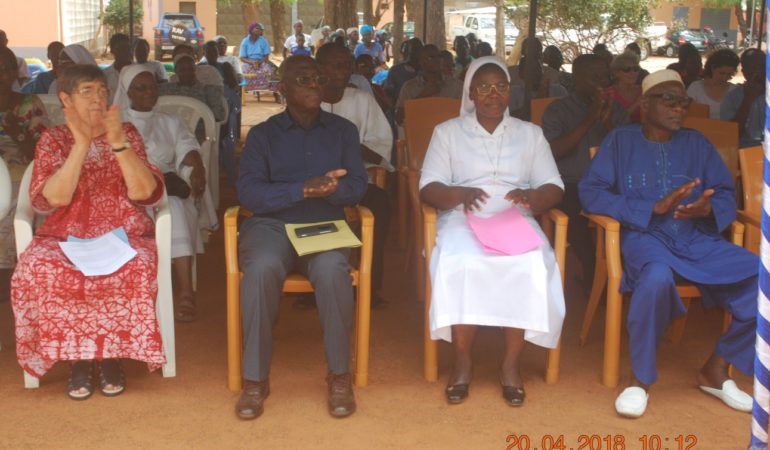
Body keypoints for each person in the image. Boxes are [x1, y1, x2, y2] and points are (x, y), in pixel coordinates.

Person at [579, 69, 757, 418]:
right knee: (656, 277)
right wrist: (650, 208)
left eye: (684, 102)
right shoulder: (619, 141)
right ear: (645, 104)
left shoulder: (697, 143)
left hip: (696, 239)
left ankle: (716, 369)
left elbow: (723, 191)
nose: (679, 109)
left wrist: (708, 208)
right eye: (669, 100)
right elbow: (590, 192)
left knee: (763, 279)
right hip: (645, 238)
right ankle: (639, 380)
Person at [11, 64, 166, 400]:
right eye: (87, 92)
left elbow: (144, 193)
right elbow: (54, 198)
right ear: (66, 99)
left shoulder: (127, 134)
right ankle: (77, 358)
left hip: (123, 234)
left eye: (101, 91)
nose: (98, 99)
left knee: (137, 265)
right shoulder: (53, 139)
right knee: (37, 266)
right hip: (64, 237)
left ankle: (110, 356)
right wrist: (80, 145)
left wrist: (119, 145)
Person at [419, 57, 566, 406]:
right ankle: (462, 362)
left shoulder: (530, 134)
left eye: (501, 86)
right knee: (460, 261)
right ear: (470, 92)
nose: (493, 94)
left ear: (510, 92)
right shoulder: (448, 132)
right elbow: (428, 188)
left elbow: (554, 185)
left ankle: (510, 365)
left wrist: (533, 196)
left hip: (517, 217)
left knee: (531, 263)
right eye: (483, 87)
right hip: (461, 216)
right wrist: (460, 194)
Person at [234, 55, 368, 420]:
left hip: (323, 225)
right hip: (270, 226)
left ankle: (339, 375)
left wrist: (332, 191)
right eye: (304, 79)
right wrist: (300, 190)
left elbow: (357, 186)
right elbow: (248, 193)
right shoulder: (263, 135)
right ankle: (255, 380)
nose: (314, 86)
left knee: (332, 270)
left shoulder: (343, 131)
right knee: (261, 269)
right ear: (283, 88)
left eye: (318, 79)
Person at [113, 65, 211, 323]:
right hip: (126, 190)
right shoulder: (115, 124)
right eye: (141, 88)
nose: (149, 92)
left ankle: (186, 292)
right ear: (128, 91)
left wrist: (197, 165)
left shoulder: (170, 121)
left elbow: (187, 145)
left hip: (164, 187)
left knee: (174, 208)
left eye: (153, 87)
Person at [541, 54, 626, 289]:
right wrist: (591, 118)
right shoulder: (558, 110)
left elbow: (626, 154)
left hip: (608, 185)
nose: (602, 82)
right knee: (574, 215)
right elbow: (553, 152)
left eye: (604, 76)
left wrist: (607, 122)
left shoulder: (616, 110)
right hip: (570, 183)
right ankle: (591, 272)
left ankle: (621, 272)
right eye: (594, 77)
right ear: (576, 79)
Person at [318, 44, 393, 308]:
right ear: (320, 68)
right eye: (336, 64)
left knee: (381, 202)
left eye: (347, 64)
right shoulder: (307, 98)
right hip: (315, 184)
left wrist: (351, 148)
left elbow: (382, 144)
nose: (344, 70)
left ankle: (369, 287)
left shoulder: (362, 99)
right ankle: (312, 286)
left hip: (355, 181)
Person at [0, 47, 48, 302]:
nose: (1, 75)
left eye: (6, 68)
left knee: (15, 194)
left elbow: (41, 153)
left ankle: (8, 270)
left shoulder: (29, 105)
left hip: (19, 168)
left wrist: (15, 131)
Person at [395, 44, 463, 125]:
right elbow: (399, 119)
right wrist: (421, 97)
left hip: (449, 134)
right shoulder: (410, 87)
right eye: (431, 57)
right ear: (421, 62)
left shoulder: (456, 85)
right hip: (420, 134)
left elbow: (466, 114)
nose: (437, 60)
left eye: (439, 56)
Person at [508, 39, 568, 121]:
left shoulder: (558, 89)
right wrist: (537, 101)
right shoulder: (513, 92)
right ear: (521, 75)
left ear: (542, 72)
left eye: (537, 70)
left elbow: (566, 115)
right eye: (530, 71)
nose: (535, 74)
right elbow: (509, 119)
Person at [720, 48, 764, 147]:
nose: (759, 72)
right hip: (745, 151)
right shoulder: (732, 97)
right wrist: (748, 100)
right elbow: (730, 134)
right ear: (744, 72)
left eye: (762, 67)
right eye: (753, 68)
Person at [686, 49, 738, 120]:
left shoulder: (735, 90)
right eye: (721, 73)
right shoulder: (695, 88)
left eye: (729, 74)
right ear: (712, 68)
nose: (724, 78)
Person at [240, 22, 279, 98]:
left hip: (262, 61)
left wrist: (259, 62)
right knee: (243, 70)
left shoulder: (263, 41)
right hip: (249, 62)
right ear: (251, 30)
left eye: (260, 29)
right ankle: (246, 88)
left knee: (269, 70)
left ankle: (273, 91)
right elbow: (242, 58)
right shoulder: (245, 41)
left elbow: (266, 57)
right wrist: (252, 62)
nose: (259, 30)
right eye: (257, 28)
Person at [606, 51, 643, 123]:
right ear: (616, 73)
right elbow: (614, 121)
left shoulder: (645, 90)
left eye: (635, 69)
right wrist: (636, 104)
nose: (633, 73)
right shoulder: (609, 94)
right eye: (627, 70)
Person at [383, 38, 422, 105]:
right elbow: (388, 94)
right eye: (413, 51)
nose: (415, 54)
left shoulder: (426, 71)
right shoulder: (396, 70)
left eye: (418, 51)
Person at [103, 33, 133, 103]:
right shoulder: (105, 75)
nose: (125, 51)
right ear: (112, 51)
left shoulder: (140, 74)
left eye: (127, 48)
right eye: (120, 48)